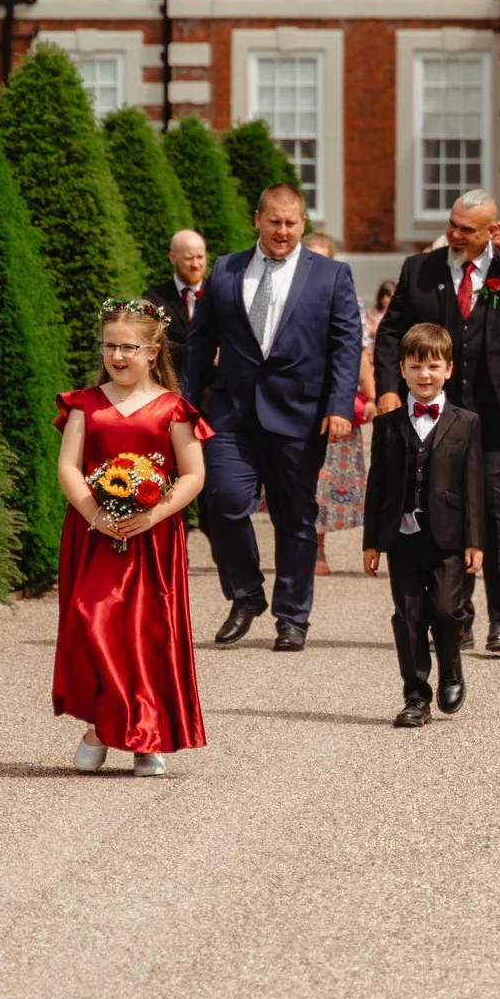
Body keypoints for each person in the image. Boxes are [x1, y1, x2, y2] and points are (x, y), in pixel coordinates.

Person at [373, 191, 500, 656]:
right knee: (444, 513)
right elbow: (391, 331)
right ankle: (457, 615)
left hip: (499, 416)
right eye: (452, 225)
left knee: (496, 513)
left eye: (467, 229)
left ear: (490, 231)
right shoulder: (420, 269)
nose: (455, 235)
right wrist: (385, 388)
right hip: (437, 418)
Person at [179, 182, 362, 653]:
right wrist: (183, 404)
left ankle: (292, 617)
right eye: (274, 221)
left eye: (292, 222)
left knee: (295, 519)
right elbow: (201, 344)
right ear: (257, 218)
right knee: (222, 500)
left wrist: (339, 407)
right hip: (231, 414)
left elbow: (345, 347)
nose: (282, 231)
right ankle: (246, 595)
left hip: (299, 416)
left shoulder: (332, 276)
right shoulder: (224, 269)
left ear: (303, 224)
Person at [52, 299, 210, 775]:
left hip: (152, 539)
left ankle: (145, 735)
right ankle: (103, 723)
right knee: (91, 623)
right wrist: (95, 514)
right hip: (94, 535)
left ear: (153, 349)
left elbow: (193, 475)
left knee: (147, 633)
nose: (117, 356)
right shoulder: (84, 404)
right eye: (109, 346)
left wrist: (154, 514)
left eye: (128, 347)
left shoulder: (173, 409)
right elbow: (67, 467)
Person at [363, 323, 485, 728]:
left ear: (448, 369)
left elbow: (472, 486)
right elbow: (377, 486)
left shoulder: (466, 422)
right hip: (402, 537)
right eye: (416, 367)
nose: (425, 375)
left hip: (449, 536)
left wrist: (475, 539)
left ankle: (451, 666)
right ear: (402, 369)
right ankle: (416, 695)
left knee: (449, 611)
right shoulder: (388, 425)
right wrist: (372, 542)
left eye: (433, 366)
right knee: (409, 614)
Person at [305, 232, 370, 573]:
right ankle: (298, 544)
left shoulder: (347, 297)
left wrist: (370, 395)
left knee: (326, 480)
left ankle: (318, 548)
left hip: (334, 398)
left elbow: (357, 351)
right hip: (293, 399)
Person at [146, 227, 207, 374]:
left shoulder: (221, 293)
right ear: (173, 258)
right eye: (189, 258)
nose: (196, 264)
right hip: (173, 384)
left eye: (200, 257)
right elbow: (154, 341)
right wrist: (201, 353)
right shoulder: (154, 298)